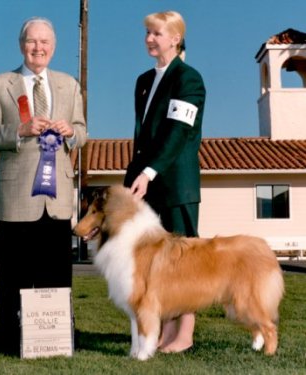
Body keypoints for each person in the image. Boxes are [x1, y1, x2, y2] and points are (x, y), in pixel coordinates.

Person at [0, 17, 87, 356]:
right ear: (21, 44)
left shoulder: (69, 85)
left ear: (54, 48)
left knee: (57, 273)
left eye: (45, 43)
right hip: (16, 194)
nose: (38, 48)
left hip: (57, 198)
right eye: (32, 41)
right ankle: (9, 340)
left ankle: (55, 340)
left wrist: (71, 131)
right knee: (13, 276)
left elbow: (83, 131)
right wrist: (19, 132)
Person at [124, 11, 206, 354]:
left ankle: (183, 334)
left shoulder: (189, 79)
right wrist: (136, 175)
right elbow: (143, 137)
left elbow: (177, 133)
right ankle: (162, 333)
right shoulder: (144, 80)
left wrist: (150, 172)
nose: (148, 39)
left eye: (155, 33)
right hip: (146, 185)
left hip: (176, 187)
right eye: (146, 32)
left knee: (184, 264)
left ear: (175, 38)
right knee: (157, 265)